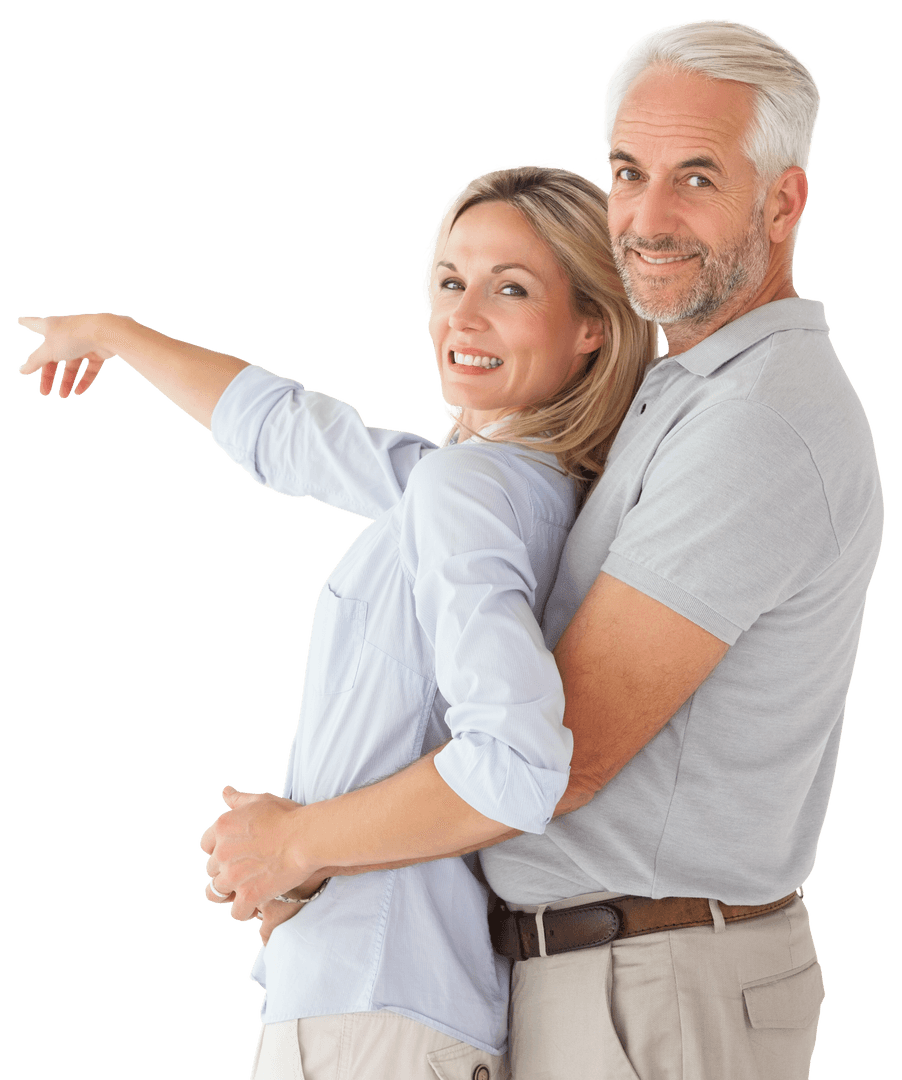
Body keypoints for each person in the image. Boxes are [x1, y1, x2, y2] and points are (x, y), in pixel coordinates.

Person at [16, 163, 657, 1079]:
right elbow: (291, 435)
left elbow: (518, 766)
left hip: (378, 1011)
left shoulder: (471, 490)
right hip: (388, 1001)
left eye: (509, 288)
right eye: (448, 280)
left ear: (593, 322)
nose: (462, 316)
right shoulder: (496, 486)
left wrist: (294, 844)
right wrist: (117, 334)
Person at [473, 20, 884, 1080]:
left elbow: (560, 754)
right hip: (616, 978)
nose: (644, 220)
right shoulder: (689, 383)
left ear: (782, 202)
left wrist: (308, 846)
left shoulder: (758, 419)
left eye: (694, 177)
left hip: (652, 992)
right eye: (625, 172)